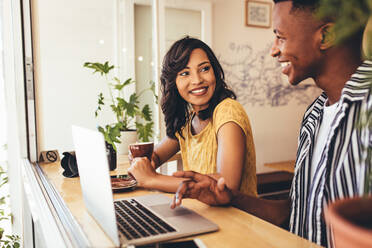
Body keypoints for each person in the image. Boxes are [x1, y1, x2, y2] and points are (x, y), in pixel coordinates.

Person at [170, 0, 372, 247]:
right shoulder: (314, 115)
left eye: (281, 37)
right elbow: (292, 215)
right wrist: (229, 198)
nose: (273, 51)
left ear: (326, 35)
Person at [128, 37, 257, 196]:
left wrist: (152, 179)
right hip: (201, 214)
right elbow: (156, 156)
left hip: (237, 218)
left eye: (204, 69)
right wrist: (144, 163)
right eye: (185, 73)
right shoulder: (188, 121)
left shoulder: (228, 111)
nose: (197, 80)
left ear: (215, 72)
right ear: (173, 83)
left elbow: (227, 183)